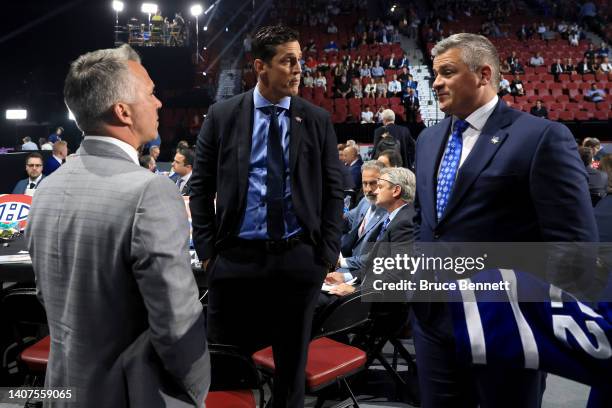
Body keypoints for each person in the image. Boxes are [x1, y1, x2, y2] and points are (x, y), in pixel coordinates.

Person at [413, 33, 597, 408]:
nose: (435, 83)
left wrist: (536, 318)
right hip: (433, 320)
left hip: (507, 324)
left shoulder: (541, 137)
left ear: (483, 74)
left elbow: (574, 243)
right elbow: (426, 221)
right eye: (435, 74)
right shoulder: (428, 140)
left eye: (447, 72)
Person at [26, 44, 210, 407]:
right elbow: (177, 326)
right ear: (122, 111)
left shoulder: (46, 188)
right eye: (151, 93)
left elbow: (50, 299)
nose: (158, 103)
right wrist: (196, 391)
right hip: (129, 394)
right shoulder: (150, 191)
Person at [189, 25, 343, 408]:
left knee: (291, 372)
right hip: (235, 259)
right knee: (226, 365)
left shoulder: (317, 119)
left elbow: (333, 191)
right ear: (260, 66)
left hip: (297, 261)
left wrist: (324, 254)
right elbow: (200, 186)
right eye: (288, 61)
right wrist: (209, 252)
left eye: (300, 61)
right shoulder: (223, 115)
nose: (298, 70)